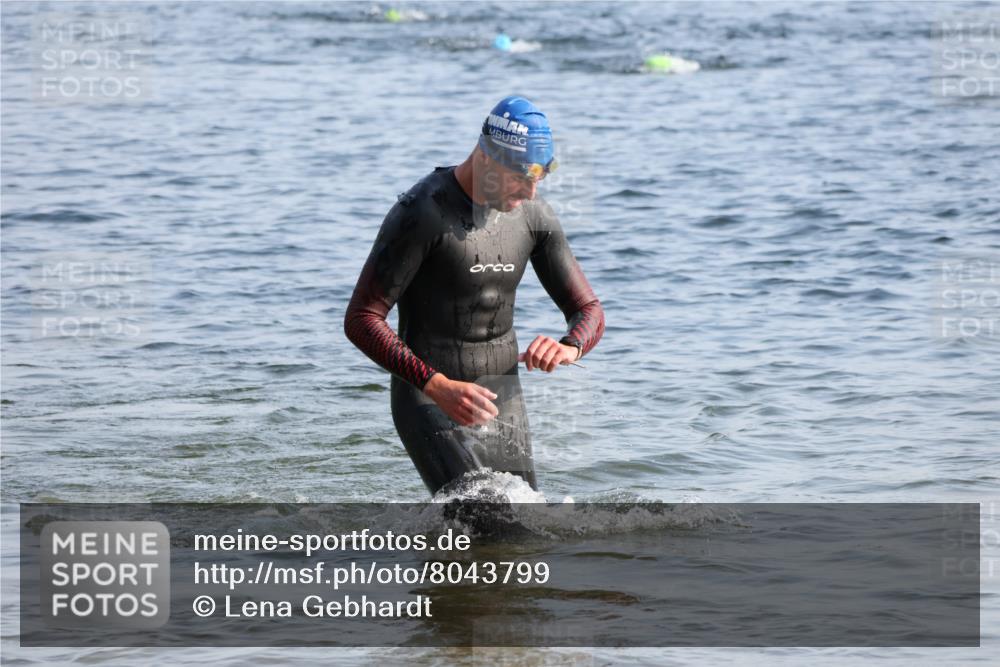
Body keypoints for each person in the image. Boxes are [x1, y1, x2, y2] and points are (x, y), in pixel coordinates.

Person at [343, 95, 604, 495]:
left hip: (503, 396)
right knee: (487, 517)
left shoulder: (533, 216)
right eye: (521, 176)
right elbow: (361, 318)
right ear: (486, 158)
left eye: (540, 178)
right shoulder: (422, 213)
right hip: (430, 395)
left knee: (522, 530)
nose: (531, 192)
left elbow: (587, 308)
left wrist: (571, 346)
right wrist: (436, 385)